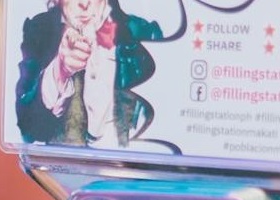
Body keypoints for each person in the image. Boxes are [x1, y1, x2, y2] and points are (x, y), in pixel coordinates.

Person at [14, 0, 166, 148]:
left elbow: (157, 124)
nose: (85, 4)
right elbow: (27, 130)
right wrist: (59, 72)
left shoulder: (144, 33)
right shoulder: (39, 30)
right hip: (63, 167)